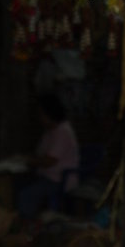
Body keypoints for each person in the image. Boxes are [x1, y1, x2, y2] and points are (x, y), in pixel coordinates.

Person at [17, 92, 80, 220]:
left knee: (27, 195)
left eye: (42, 114)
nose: (40, 118)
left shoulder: (63, 131)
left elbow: (49, 160)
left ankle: (27, 223)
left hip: (58, 180)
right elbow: (40, 154)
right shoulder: (49, 132)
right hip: (45, 176)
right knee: (18, 184)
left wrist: (28, 161)